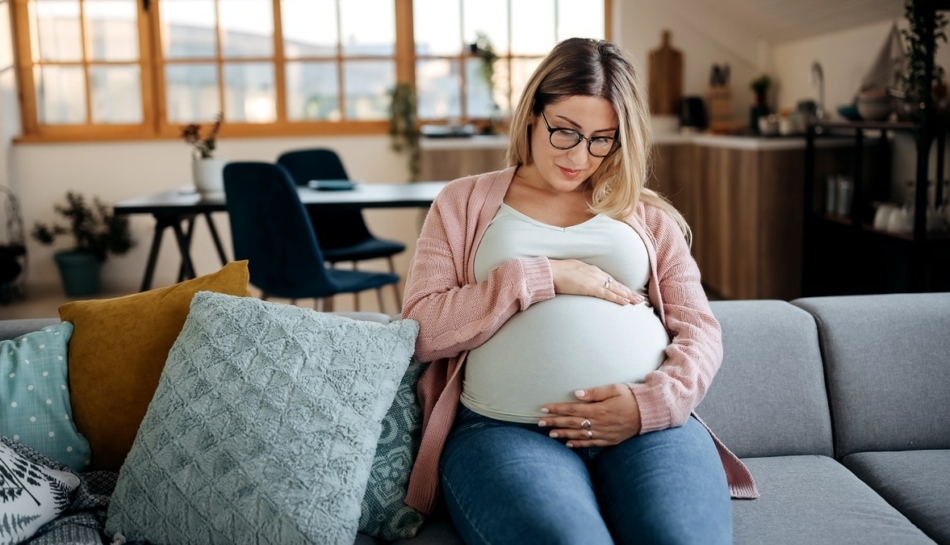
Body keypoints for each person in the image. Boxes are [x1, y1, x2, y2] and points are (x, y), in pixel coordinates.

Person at [401, 37, 758, 544]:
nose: (580, 156)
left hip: (647, 429)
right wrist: (540, 274)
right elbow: (421, 328)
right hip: (506, 431)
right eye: (565, 132)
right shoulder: (462, 203)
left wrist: (649, 406)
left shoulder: (648, 215)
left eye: (601, 139)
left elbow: (699, 328)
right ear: (532, 115)